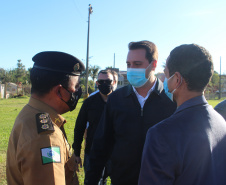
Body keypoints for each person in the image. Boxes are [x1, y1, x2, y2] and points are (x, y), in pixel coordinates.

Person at [85, 40, 176, 185]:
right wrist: (91, 179)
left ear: (153, 64)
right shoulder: (116, 99)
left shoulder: (171, 100)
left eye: (137, 64)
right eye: (128, 64)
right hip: (122, 180)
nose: (131, 69)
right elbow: (101, 144)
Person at [138, 44, 226, 185]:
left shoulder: (161, 134)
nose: (164, 81)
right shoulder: (221, 122)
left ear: (177, 80)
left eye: (166, 75)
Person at [6, 51, 85, 185]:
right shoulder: (47, 138)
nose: (78, 92)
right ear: (59, 91)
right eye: (76, 87)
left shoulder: (29, 113)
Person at [72, 70, 115, 184]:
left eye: (108, 81)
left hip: (115, 153)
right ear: (97, 83)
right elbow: (79, 127)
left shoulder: (121, 102)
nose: (104, 84)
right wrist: (76, 152)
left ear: (114, 82)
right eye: (101, 81)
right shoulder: (89, 102)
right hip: (93, 153)